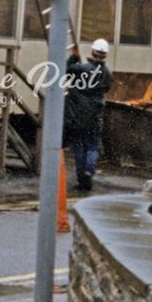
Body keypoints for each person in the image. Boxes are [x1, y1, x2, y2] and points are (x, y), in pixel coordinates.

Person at [64, 38, 114, 191]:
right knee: (93, 146)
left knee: (79, 146)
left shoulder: (82, 69)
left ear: (92, 51)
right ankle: (89, 171)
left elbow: (66, 69)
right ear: (105, 55)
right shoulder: (108, 74)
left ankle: (81, 180)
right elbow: (106, 89)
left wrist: (73, 56)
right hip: (96, 115)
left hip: (78, 115)